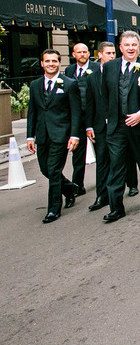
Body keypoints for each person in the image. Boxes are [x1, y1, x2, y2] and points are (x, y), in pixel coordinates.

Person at [101, 31, 140, 222]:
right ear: (120, 47)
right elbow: (106, 94)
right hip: (117, 126)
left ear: (139, 47)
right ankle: (116, 207)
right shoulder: (109, 67)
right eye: (127, 45)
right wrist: (109, 118)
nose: (131, 48)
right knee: (116, 166)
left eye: (134, 45)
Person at [26, 49, 82, 223]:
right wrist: (30, 136)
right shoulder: (35, 85)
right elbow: (32, 112)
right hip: (42, 135)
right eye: (47, 61)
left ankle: (53, 209)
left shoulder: (69, 84)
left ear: (59, 63)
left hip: (61, 135)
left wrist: (74, 135)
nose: (51, 64)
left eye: (54, 61)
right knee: (45, 169)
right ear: (42, 63)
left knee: (54, 170)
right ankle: (69, 188)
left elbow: (76, 112)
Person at [85, 41, 116, 212]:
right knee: (102, 161)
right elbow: (89, 104)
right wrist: (89, 126)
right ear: (99, 55)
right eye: (108, 53)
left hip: (118, 123)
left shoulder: (119, 73)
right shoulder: (91, 77)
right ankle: (101, 196)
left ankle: (132, 185)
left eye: (113, 53)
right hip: (100, 126)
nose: (112, 56)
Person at [64, 42, 95, 196]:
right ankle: (78, 185)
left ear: (89, 53)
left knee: (101, 151)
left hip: (94, 116)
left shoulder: (97, 68)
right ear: (73, 54)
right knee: (78, 154)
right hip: (76, 117)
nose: (82, 54)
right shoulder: (69, 70)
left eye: (85, 51)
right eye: (79, 52)